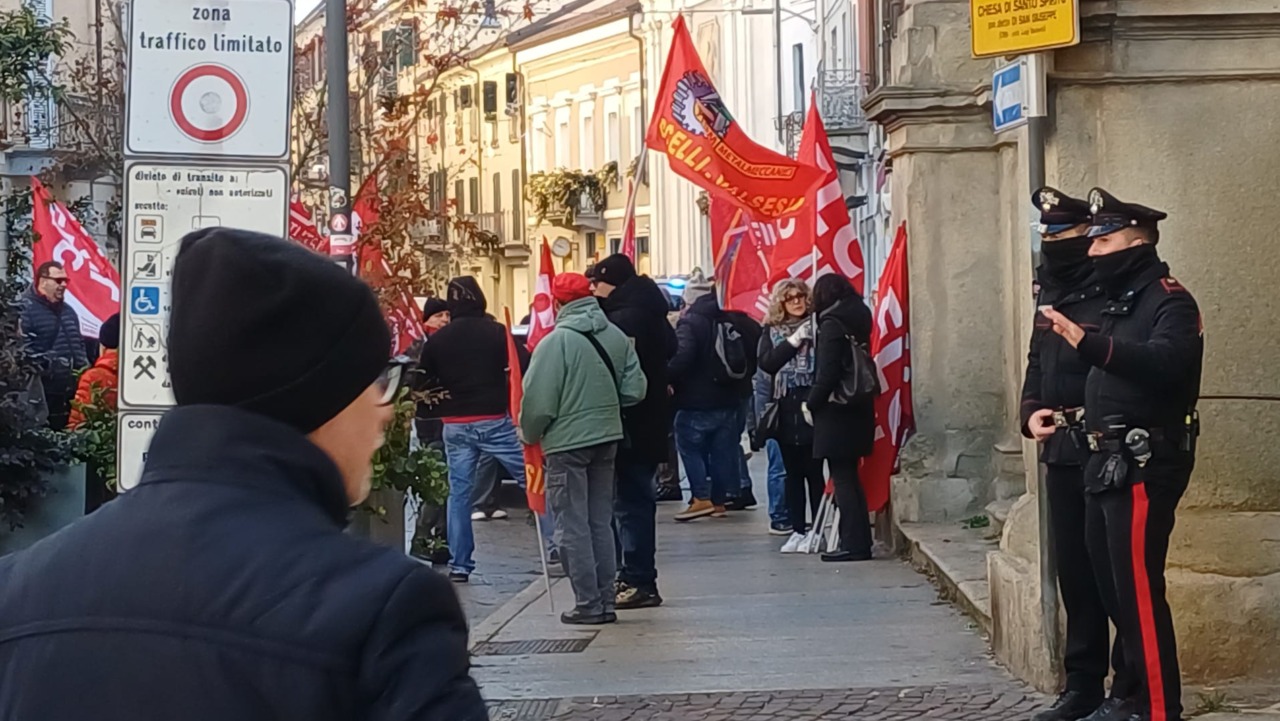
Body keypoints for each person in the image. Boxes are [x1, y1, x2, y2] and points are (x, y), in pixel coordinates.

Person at [0, 229, 486, 721]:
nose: (386, 410)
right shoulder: (381, 608)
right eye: (379, 379)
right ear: (320, 394)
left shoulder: (18, 590)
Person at [1042, 188, 1202, 721]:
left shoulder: (1169, 300)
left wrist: (1087, 344)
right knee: (1112, 590)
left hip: (1144, 461)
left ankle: (1159, 709)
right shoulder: (1119, 301)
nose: (1092, 252)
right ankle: (1127, 694)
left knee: (1137, 593)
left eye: (1104, 240)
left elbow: (1166, 362)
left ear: (1137, 242)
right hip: (1103, 461)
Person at [1022, 188, 1130, 721]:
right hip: (1061, 447)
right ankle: (1081, 683)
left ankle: (1125, 684)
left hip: (1104, 444)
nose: (1052, 247)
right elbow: (1036, 360)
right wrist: (1030, 412)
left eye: (1061, 237)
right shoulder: (1052, 291)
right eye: (1045, 238)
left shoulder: (1109, 291)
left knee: (1113, 574)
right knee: (1075, 575)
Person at [520, 273, 646, 625]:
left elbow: (538, 404)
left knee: (572, 525)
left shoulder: (554, 343)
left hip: (566, 443)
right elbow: (635, 390)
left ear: (558, 303)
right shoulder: (615, 335)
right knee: (600, 522)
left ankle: (588, 603)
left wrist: (529, 434)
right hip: (607, 438)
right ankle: (606, 600)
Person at [417, 276, 547, 583]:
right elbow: (524, 365)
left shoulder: (438, 340)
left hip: (455, 425)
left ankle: (460, 564)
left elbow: (423, 385)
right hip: (494, 421)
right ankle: (557, 547)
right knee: (533, 480)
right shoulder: (497, 333)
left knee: (459, 495)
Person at [589, 254, 677, 610]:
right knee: (635, 499)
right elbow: (671, 349)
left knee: (630, 503)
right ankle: (635, 575)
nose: (592, 288)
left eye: (597, 282)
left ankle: (637, 577)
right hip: (651, 417)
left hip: (631, 421)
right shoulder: (652, 310)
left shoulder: (623, 319)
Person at [806, 273, 875, 563]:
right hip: (859, 407)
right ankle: (859, 539)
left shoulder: (831, 325)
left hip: (837, 411)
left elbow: (828, 373)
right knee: (850, 478)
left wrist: (811, 403)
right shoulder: (859, 316)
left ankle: (853, 542)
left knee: (842, 479)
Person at [667, 279, 745, 521]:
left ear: (689, 301)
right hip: (728, 395)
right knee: (722, 451)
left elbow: (683, 357)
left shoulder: (690, 323)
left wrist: (666, 376)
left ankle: (701, 498)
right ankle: (719, 501)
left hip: (695, 398)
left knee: (689, 447)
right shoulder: (729, 317)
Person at [758, 279, 825, 554]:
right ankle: (797, 529)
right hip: (786, 406)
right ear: (781, 303)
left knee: (815, 472)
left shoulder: (818, 328)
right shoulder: (772, 331)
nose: (797, 302)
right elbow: (768, 363)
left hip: (811, 403)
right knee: (792, 474)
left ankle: (818, 530)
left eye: (801, 296)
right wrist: (794, 341)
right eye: (790, 298)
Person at [20, 260, 87, 430]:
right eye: (58, 280)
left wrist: (84, 370)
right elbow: (22, 351)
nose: (63, 285)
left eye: (66, 280)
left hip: (71, 393)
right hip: (44, 394)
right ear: (43, 281)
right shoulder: (25, 310)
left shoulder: (69, 311)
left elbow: (79, 345)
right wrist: (47, 368)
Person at [68, 313, 120, 431]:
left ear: (102, 346)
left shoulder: (94, 377)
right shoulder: (146, 374)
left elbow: (78, 421)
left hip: (99, 443)